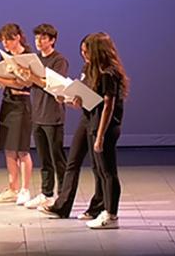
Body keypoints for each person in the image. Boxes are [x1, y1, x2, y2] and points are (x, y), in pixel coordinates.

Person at [39, 32, 129, 230]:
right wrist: (68, 97)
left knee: (105, 170)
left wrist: (100, 136)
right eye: (82, 51)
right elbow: (84, 97)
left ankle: (110, 214)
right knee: (74, 161)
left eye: (86, 52)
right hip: (88, 119)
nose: (84, 55)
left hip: (104, 124)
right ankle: (64, 206)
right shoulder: (89, 68)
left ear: (98, 52)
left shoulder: (108, 72)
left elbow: (108, 106)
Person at [0, 23, 34, 205]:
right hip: (8, 103)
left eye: (8, 39)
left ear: (18, 37)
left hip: (21, 105)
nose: (5, 43)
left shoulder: (27, 56)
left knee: (22, 149)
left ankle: (25, 189)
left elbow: (22, 83)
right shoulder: (7, 57)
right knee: (9, 147)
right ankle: (12, 188)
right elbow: (7, 81)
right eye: (3, 40)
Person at [24, 24, 69, 209]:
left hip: (53, 116)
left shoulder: (59, 60)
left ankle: (63, 195)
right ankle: (46, 193)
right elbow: (31, 83)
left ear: (52, 40)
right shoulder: (34, 60)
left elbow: (53, 85)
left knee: (57, 157)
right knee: (44, 159)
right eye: (37, 38)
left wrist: (32, 77)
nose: (39, 42)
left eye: (43, 38)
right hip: (38, 115)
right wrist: (22, 74)